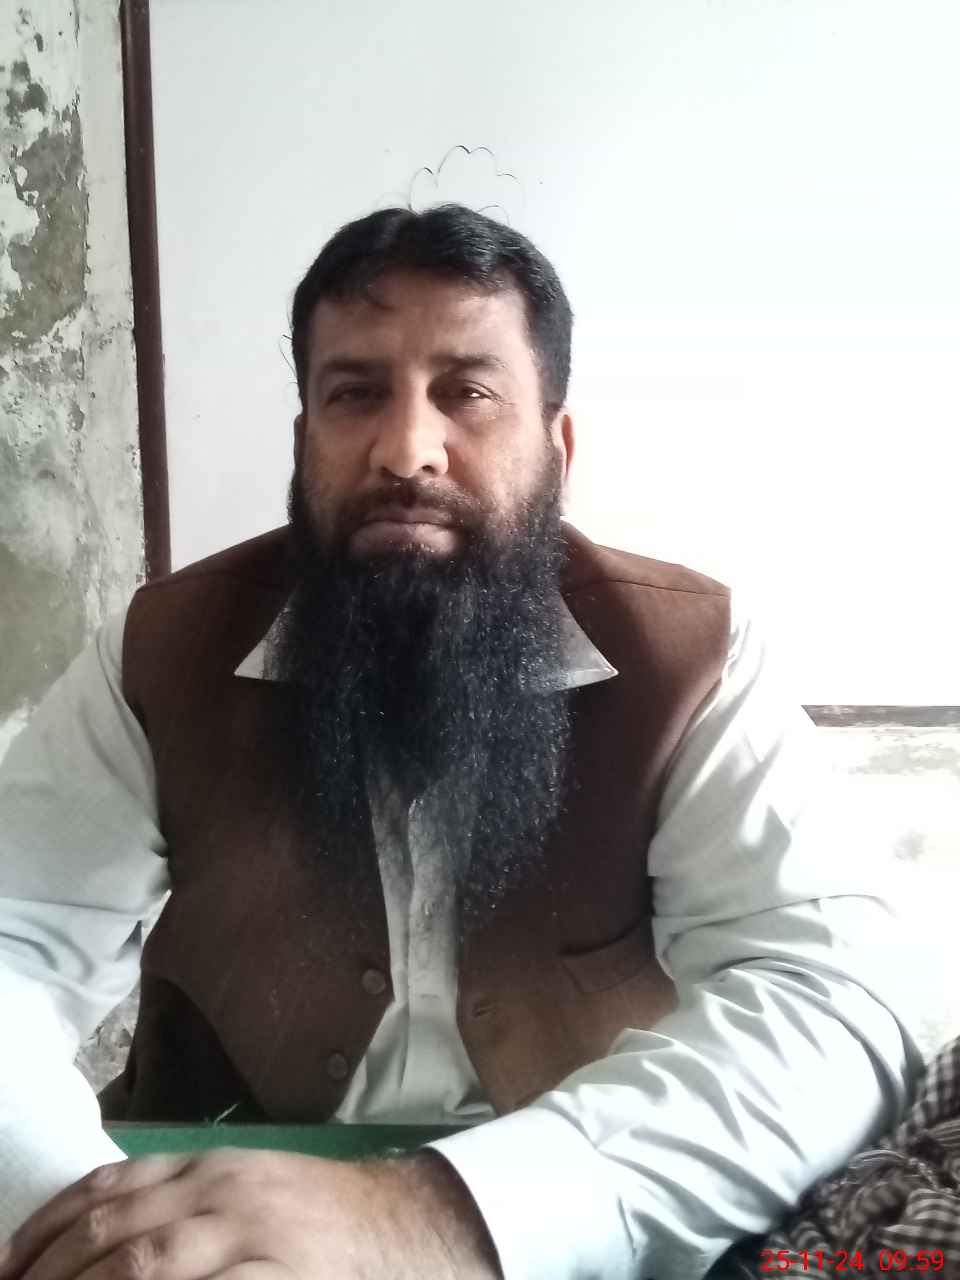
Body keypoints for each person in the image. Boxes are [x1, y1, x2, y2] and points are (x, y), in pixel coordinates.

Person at [0, 203, 921, 1280]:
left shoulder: (694, 656)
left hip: (575, 1229)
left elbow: (833, 1000)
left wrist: (436, 1215)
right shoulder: (162, 649)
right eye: (355, 394)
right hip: (205, 1223)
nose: (407, 450)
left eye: (467, 393)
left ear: (557, 448)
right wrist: (88, 1223)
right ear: (303, 441)